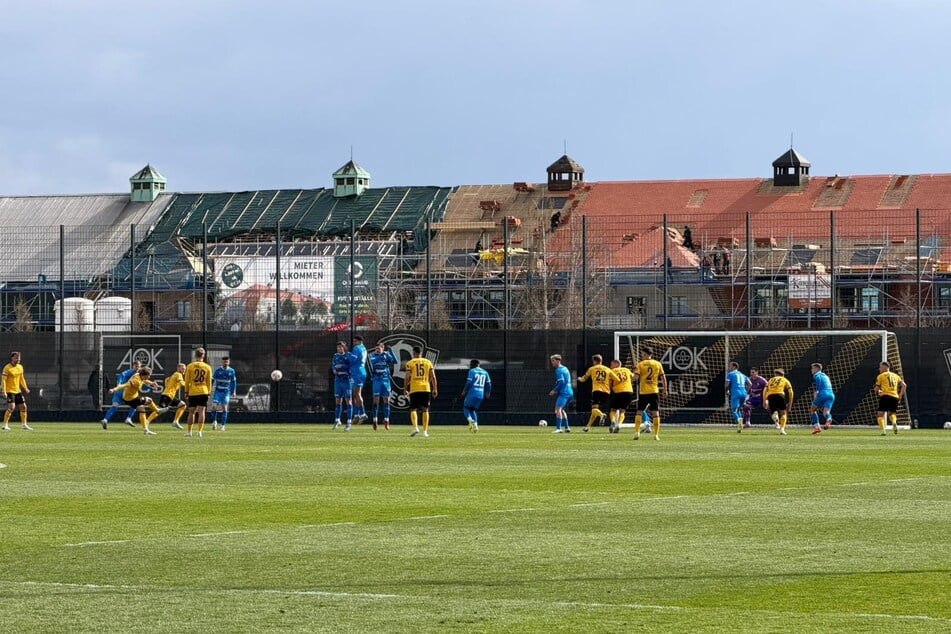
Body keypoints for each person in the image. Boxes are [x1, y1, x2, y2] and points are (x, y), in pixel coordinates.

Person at [109, 366, 160, 435]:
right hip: (130, 398)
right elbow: (124, 385)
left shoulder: (139, 376)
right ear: (144, 375)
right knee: (149, 400)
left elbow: (144, 381)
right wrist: (114, 389)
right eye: (149, 375)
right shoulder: (135, 381)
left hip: (132, 397)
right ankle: (158, 411)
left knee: (142, 409)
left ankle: (146, 430)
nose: (149, 377)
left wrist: (151, 383)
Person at [633, 347, 666, 440]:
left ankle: (637, 432)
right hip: (654, 391)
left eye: (642, 354)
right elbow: (663, 377)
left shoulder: (640, 364)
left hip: (644, 392)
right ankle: (656, 434)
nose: (641, 356)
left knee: (639, 412)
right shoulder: (658, 364)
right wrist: (665, 389)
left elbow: (635, 378)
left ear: (645, 354)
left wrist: (633, 373)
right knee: (655, 412)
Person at [405, 345, 437, 437]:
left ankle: (415, 427)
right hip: (426, 388)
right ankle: (425, 432)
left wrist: (405, 389)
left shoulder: (410, 363)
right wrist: (435, 388)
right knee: (425, 409)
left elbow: (407, 377)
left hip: (415, 388)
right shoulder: (428, 362)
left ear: (414, 353)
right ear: (421, 353)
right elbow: (433, 376)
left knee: (413, 409)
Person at [101, 361, 141, 429]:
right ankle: (128, 418)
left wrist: (151, 386)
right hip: (125, 392)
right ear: (133, 366)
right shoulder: (131, 372)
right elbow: (121, 375)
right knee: (135, 403)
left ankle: (105, 420)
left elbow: (143, 383)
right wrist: (119, 384)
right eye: (136, 366)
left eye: (138, 366)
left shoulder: (137, 374)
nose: (137, 368)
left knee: (114, 406)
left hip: (119, 391)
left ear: (140, 367)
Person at [147, 362, 187, 429]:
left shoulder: (174, 375)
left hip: (170, 396)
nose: (184, 370)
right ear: (178, 368)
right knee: (159, 410)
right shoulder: (178, 374)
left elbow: (166, 380)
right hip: (167, 395)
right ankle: (147, 422)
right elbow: (181, 383)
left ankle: (175, 422)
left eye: (185, 369)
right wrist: (189, 385)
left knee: (183, 405)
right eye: (182, 368)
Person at [577, 354, 612, 433]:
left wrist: (579, 379)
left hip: (597, 391)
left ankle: (602, 415)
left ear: (595, 361)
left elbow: (584, 379)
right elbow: (616, 379)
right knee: (595, 409)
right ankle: (587, 426)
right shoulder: (608, 369)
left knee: (594, 409)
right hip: (606, 392)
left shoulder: (592, 369)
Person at [369, 341, 399, 430]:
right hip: (376, 381)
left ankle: (386, 420)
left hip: (386, 380)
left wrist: (391, 352)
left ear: (383, 348)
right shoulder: (373, 356)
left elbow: (396, 361)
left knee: (386, 401)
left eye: (379, 348)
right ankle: (375, 420)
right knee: (376, 401)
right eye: (376, 349)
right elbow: (374, 362)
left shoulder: (386, 355)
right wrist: (382, 356)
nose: (377, 350)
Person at [184, 347, 213, 438]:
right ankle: (199, 432)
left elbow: (187, 381)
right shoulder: (207, 367)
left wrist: (186, 391)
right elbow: (209, 382)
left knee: (191, 412)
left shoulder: (190, 366)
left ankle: (189, 432)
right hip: (203, 391)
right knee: (202, 412)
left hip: (193, 391)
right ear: (203, 356)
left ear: (195, 355)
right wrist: (209, 392)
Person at [875, 361, 907, 436]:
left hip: (885, 396)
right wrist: (900, 395)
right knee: (892, 413)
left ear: (885, 367)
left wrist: (878, 392)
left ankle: (883, 431)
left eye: (880, 367)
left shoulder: (881, 376)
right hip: (895, 397)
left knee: (880, 415)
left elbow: (876, 389)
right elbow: (904, 385)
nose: (879, 369)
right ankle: (894, 422)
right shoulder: (896, 376)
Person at [2, 351, 31, 431]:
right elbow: (3, 380)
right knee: (12, 407)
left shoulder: (20, 367)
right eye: (16, 358)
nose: (18, 359)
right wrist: (4, 391)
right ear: (12, 358)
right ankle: (5, 425)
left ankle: (24, 425)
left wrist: (25, 388)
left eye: (19, 358)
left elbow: (22, 379)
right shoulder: (7, 368)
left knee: (24, 407)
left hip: (18, 391)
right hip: (9, 391)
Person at [461, 359, 491, 432]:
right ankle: (476, 426)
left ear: (472, 365)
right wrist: (488, 392)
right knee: (472, 410)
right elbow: (489, 384)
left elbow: (469, 382)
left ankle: (470, 420)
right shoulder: (485, 372)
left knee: (466, 408)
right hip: (481, 394)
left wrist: (464, 391)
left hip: (472, 393)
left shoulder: (472, 371)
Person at [763, 368, 794, 436]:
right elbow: (790, 391)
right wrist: (790, 403)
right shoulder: (785, 379)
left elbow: (765, 389)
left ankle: (776, 418)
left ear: (775, 374)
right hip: (780, 395)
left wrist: (764, 400)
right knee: (783, 413)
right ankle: (782, 429)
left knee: (773, 412)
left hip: (770, 396)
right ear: (783, 375)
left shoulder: (771, 380)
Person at [607, 359, 635, 433]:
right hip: (628, 391)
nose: (610, 366)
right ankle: (619, 425)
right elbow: (634, 377)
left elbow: (610, 383)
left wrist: (610, 389)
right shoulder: (627, 370)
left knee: (613, 409)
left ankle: (613, 421)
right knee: (623, 411)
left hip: (618, 392)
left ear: (616, 364)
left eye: (611, 365)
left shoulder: (612, 371)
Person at [210, 356, 237, 432]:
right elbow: (212, 380)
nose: (225, 363)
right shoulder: (218, 370)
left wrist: (234, 391)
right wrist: (210, 388)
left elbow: (234, 382)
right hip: (218, 391)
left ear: (229, 362)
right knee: (214, 406)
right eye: (224, 361)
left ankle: (223, 426)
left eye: (227, 362)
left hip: (226, 392)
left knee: (224, 408)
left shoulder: (231, 371)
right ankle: (214, 421)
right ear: (222, 362)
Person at [549, 354, 573, 433]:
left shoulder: (558, 370)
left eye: (553, 361)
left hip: (564, 392)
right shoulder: (565, 368)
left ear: (558, 361)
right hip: (570, 392)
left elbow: (562, 382)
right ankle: (567, 427)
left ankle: (559, 428)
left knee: (558, 409)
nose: (552, 362)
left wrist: (554, 390)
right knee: (562, 409)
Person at [332, 341, 353, 430]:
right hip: (338, 381)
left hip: (347, 381)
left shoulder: (348, 355)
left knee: (348, 401)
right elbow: (333, 366)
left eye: (341, 347)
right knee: (338, 401)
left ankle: (349, 422)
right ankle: (337, 420)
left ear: (344, 348)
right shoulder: (335, 356)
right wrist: (334, 370)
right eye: (338, 347)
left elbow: (351, 366)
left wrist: (342, 367)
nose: (339, 349)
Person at [810, 362, 835, 435]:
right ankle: (829, 418)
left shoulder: (817, 375)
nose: (811, 370)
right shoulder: (825, 376)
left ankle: (817, 427)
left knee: (812, 410)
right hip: (831, 395)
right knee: (826, 413)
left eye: (812, 368)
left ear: (816, 369)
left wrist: (816, 393)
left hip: (823, 394)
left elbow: (819, 382)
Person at [725, 361, 751, 433]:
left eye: (730, 366)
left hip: (736, 393)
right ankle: (740, 427)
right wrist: (746, 391)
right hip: (744, 393)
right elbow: (750, 384)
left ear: (734, 367)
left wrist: (727, 391)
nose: (729, 367)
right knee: (738, 409)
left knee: (734, 410)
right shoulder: (742, 374)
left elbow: (727, 384)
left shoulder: (730, 374)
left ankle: (739, 421)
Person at [350, 335, 369, 424]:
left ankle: (362, 413)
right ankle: (357, 414)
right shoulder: (364, 349)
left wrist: (347, 356)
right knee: (355, 394)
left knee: (357, 394)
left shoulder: (357, 348)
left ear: (360, 341)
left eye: (355, 341)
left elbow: (352, 360)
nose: (354, 343)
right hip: (362, 371)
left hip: (357, 372)